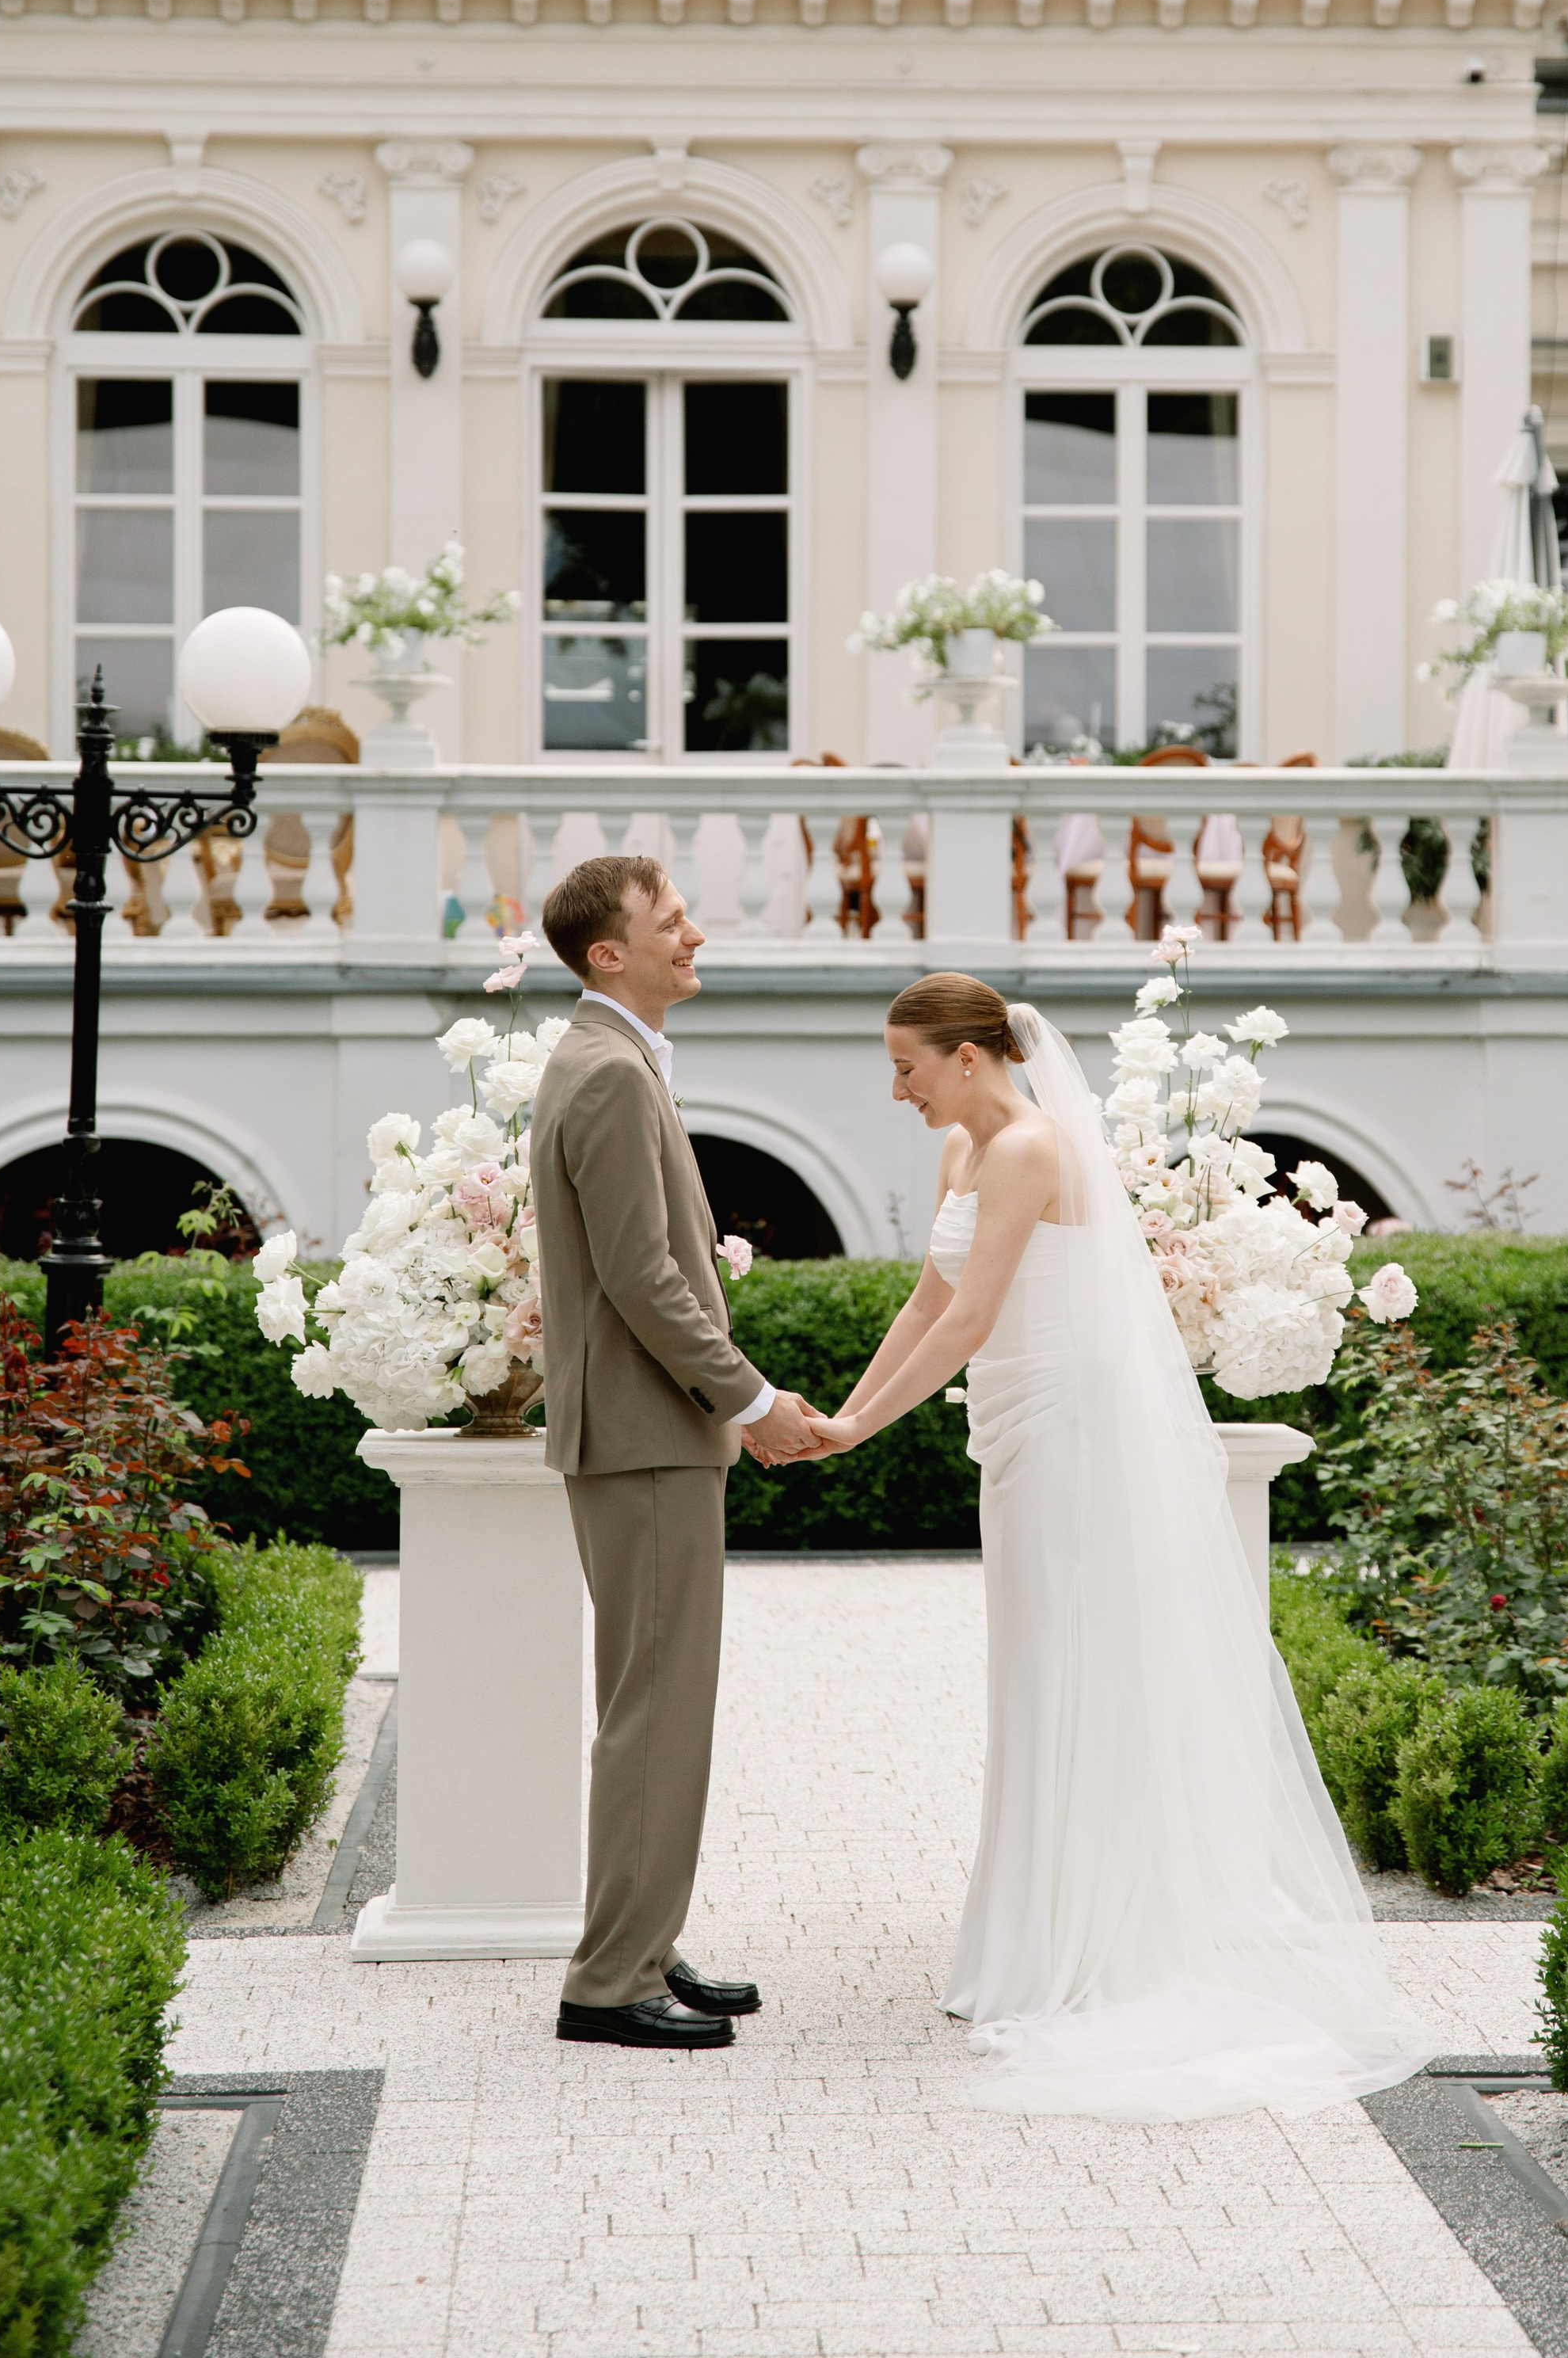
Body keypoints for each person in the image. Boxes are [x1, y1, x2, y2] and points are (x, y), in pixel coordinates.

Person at [804, 971, 1431, 2120]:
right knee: (1029, 1669)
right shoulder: (960, 1154)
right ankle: (1029, 1933)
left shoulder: (1034, 1149)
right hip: (1013, 1433)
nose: (895, 1089)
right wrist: (845, 1414)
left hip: (1066, 1435)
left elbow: (978, 1317)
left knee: (1069, 1666)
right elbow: (925, 1302)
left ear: (969, 1057)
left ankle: (1082, 1941)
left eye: (906, 1067)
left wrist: (856, 1432)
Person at [530, 851, 828, 2051]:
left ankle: (640, 1941)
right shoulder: (605, 1072)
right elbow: (642, 1274)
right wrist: (751, 1401)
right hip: (646, 1438)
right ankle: (609, 1983)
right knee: (657, 1708)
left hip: (651, 1437)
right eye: (672, 920)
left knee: (652, 1702)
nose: (694, 933)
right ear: (611, 954)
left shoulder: (618, 1059)